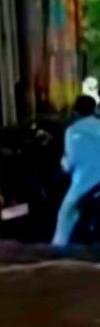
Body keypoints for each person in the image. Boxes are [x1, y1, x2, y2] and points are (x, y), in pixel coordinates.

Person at [53, 94, 100, 246]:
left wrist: (63, 167)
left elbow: (70, 162)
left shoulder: (73, 130)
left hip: (86, 185)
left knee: (65, 214)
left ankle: (58, 253)